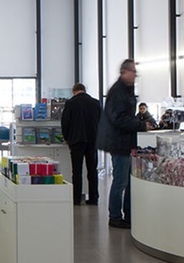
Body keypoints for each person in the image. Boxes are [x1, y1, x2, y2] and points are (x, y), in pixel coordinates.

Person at [97, 59, 153, 229]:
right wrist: (141, 125)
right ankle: (114, 216)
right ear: (124, 72)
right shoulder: (118, 91)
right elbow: (118, 118)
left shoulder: (127, 90)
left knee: (129, 180)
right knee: (120, 181)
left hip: (126, 142)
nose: (135, 76)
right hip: (119, 142)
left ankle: (128, 215)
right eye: (133, 72)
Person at [60, 83, 101, 205]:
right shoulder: (95, 103)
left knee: (77, 171)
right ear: (84, 90)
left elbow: (65, 123)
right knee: (92, 169)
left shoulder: (70, 103)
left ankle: (76, 199)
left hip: (76, 141)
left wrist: (67, 138)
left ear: (74, 91)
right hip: (93, 140)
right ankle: (93, 197)